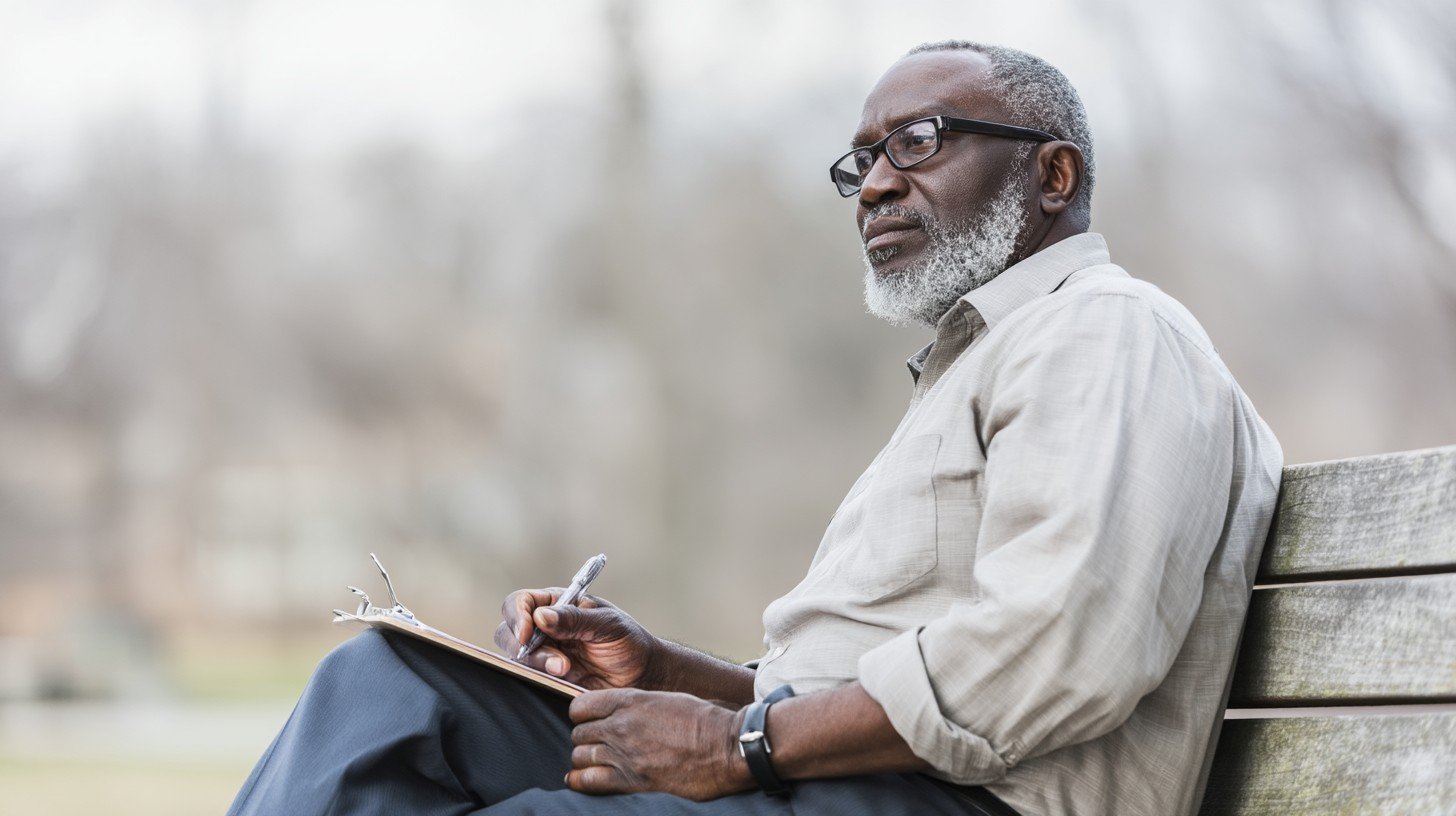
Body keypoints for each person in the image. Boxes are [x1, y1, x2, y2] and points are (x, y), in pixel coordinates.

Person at [228, 40, 1281, 816]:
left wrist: (740, 744)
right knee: (392, 686)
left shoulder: (1107, 333)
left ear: (1051, 176)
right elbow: (857, 681)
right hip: (839, 774)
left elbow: (1059, 650)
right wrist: (667, 674)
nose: (873, 182)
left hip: (968, 804)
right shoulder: (985, 360)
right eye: (858, 158)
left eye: (917, 141)